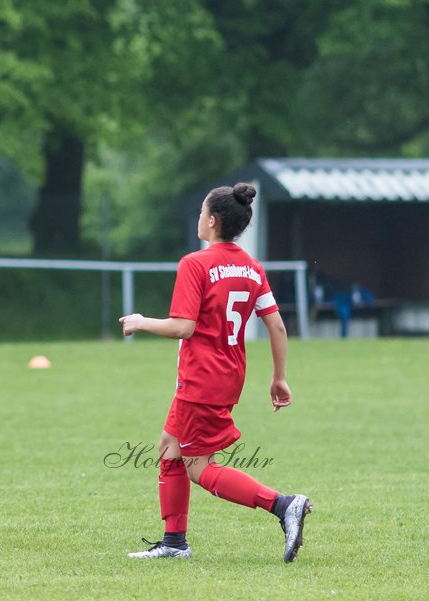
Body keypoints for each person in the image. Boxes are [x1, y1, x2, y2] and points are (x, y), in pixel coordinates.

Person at [119, 183, 312, 563]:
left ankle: (282, 504)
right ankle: (173, 542)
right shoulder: (251, 267)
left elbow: (182, 327)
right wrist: (279, 377)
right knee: (168, 450)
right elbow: (277, 327)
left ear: (211, 220)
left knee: (199, 468)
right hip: (227, 375)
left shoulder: (195, 263)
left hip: (201, 379)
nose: (198, 219)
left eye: (200, 213)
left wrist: (141, 321)